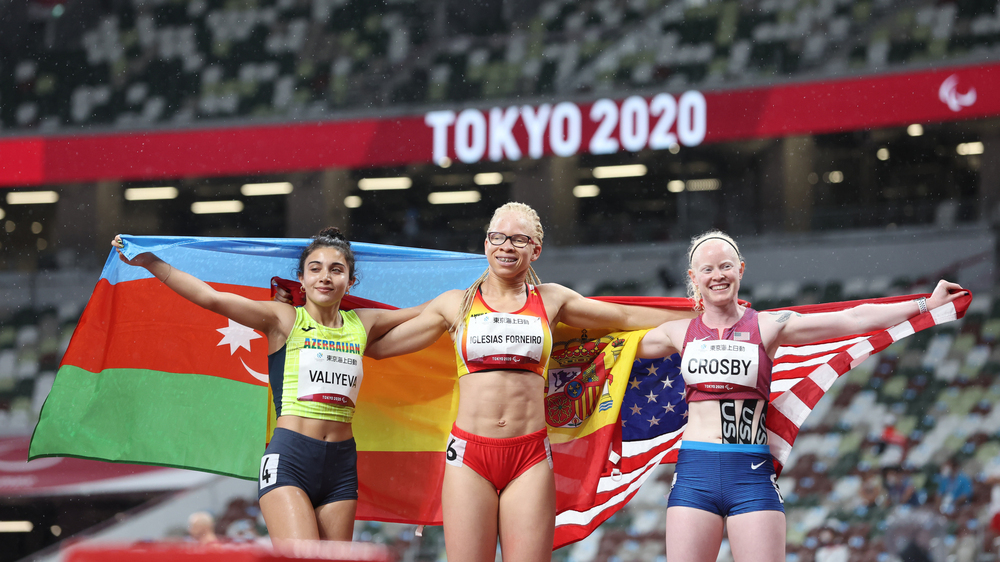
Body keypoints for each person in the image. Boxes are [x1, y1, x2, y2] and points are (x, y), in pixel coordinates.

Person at [361, 202, 693, 562]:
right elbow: (378, 348)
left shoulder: (551, 300)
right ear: (485, 243)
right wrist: (333, 315)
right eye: (497, 237)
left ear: (535, 250)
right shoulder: (454, 305)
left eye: (518, 240)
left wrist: (703, 313)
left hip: (529, 457)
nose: (506, 246)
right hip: (470, 457)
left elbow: (625, 316)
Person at [635, 230, 967, 562]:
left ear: (741, 269)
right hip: (695, 472)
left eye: (726, 266)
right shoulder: (677, 332)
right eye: (707, 269)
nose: (718, 275)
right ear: (693, 277)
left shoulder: (768, 326)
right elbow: (612, 354)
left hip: (750, 473)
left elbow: (852, 318)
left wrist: (926, 304)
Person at [113, 228, 421, 545]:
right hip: (290, 459)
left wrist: (470, 290)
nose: (325, 277)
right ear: (301, 279)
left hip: (341, 467)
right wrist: (150, 261)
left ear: (350, 281)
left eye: (336, 269)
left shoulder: (364, 322)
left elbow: (428, 313)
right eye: (315, 269)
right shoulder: (283, 319)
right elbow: (212, 298)